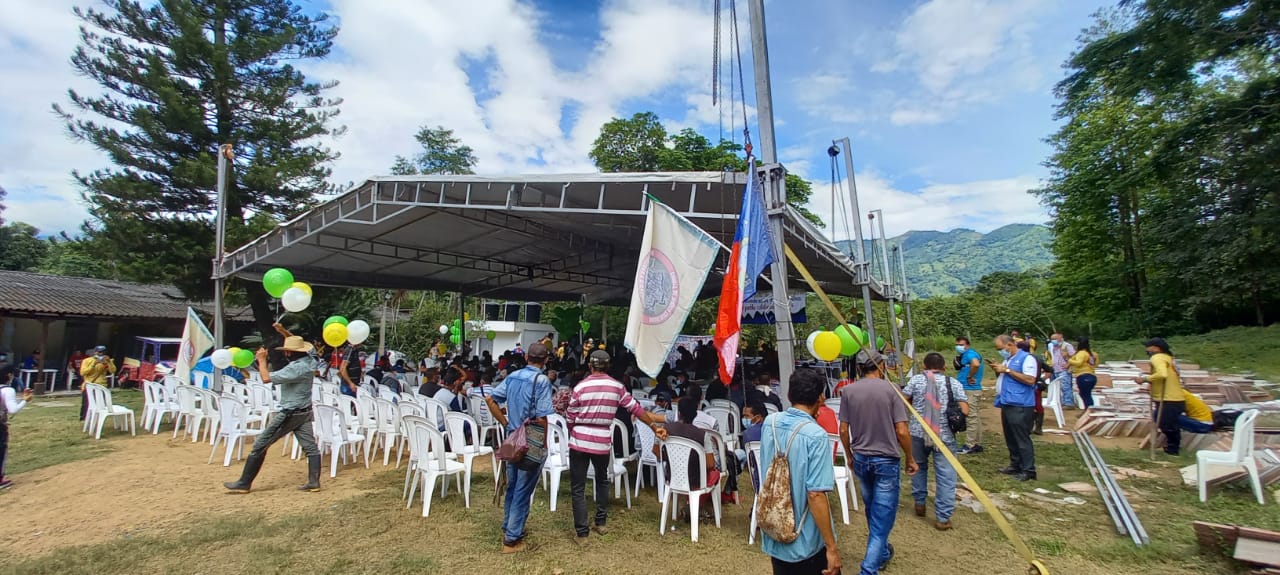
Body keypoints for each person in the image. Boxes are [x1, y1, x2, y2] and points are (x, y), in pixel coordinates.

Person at [565, 350, 667, 544]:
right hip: (603, 441)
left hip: (579, 440)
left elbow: (570, 415)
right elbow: (636, 408)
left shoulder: (580, 387)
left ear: (590, 366)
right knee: (602, 481)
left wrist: (574, 430)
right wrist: (654, 427)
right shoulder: (617, 387)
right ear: (608, 366)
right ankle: (600, 522)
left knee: (578, 487)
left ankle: (582, 534)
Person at [839, 349, 914, 575]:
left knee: (873, 509)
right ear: (880, 366)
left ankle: (881, 553)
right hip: (886, 460)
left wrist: (849, 455)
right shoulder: (892, 391)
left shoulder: (848, 391)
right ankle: (868, 569)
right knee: (881, 518)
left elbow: (843, 429)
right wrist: (910, 457)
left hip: (861, 458)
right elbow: (901, 430)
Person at [760, 368, 842, 575]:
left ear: (789, 395)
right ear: (821, 398)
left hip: (775, 526)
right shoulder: (816, 436)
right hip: (804, 539)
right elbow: (815, 494)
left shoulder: (770, 423)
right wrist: (831, 547)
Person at [224, 336, 323, 493]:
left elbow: (266, 378)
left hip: (290, 412)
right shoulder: (311, 361)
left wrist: (262, 360)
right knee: (311, 448)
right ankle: (313, 482)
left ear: (290, 353)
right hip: (304, 411)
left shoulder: (295, 368)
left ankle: (244, 483)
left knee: (259, 445)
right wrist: (283, 332)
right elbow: (314, 352)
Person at [484, 342, 554, 554]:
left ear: (525, 357)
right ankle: (512, 539)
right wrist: (543, 443)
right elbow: (542, 418)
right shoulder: (541, 381)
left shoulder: (512, 377)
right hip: (530, 438)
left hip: (511, 437)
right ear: (546, 361)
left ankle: (509, 526)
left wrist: (505, 423)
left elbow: (490, 399)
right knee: (523, 489)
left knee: (513, 485)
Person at [901, 353, 969, 530]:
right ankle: (943, 517)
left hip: (917, 432)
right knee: (946, 475)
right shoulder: (953, 383)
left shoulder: (916, 381)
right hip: (944, 436)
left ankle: (920, 502)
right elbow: (965, 409)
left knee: (917, 467)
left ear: (924, 366)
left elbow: (904, 400)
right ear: (944, 366)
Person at [991, 335, 1038, 481]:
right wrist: (998, 369)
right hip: (1007, 401)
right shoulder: (1009, 359)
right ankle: (1015, 464)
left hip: (1020, 403)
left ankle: (1028, 469)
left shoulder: (1027, 359)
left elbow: (1030, 380)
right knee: (1010, 436)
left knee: (1021, 438)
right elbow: (1004, 376)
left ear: (1010, 344)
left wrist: (1007, 371)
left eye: (1000, 348)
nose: (1000, 351)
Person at [1135, 337, 1186, 455]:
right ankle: (1171, 446)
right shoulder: (1168, 358)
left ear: (1156, 348)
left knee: (1166, 424)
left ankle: (1173, 449)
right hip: (1174, 397)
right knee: (1161, 421)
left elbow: (1162, 374)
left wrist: (1145, 379)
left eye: (1148, 347)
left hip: (1168, 398)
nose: (1146, 349)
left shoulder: (1157, 357)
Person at [954, 337, 986, 455]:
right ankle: (976, 442)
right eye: (957, 344)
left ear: (967, 345)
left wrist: (969, 376)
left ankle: (970, 445)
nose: (958, 346)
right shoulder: (967, 355)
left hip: (970, 389)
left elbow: (975, 364)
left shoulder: (970, 354)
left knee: (971, 417)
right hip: (970, 389)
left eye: (961, 344)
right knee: (975, 417)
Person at [0, 374, 33, 489]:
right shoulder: (8, 390)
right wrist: (24, 401)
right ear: (9, 376)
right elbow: (13, 409)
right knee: (1, 450)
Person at [79, 346, 116, 422]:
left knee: (100, 403)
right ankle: (84, 418)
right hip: (90, 384)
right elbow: (83, 372)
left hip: (102, 385)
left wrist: (109, 362)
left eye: (103, 352)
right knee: (87, 403)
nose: (101, 354)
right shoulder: (87, 360)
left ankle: (98, 418)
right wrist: (93, 364)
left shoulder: (107, 361)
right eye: (99, 352)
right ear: (95, 352)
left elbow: (113, 371)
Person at [1047, 332, 1076, 409]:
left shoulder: (1067, 346)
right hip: (1056, 369)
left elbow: (1074, 356)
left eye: (1055, 339)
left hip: (1064, 369)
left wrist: (1068, 364)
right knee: (1058, 387)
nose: (1053, 340)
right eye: (1052, 339)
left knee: (1065, 386)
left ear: (1060, 338)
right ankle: (1062, 402)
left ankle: (1068, 403)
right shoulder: (1052, 346)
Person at [1069, 338, 1098, 410]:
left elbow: (1078, 363)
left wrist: (1069, 360)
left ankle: (1089, 411)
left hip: (1083, 376)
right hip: (1092, 376)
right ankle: (1088, 410)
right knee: (1086, 394)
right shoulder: (1093, 354)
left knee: (1086, 395)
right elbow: (1096, 365)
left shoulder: (1081, 353)